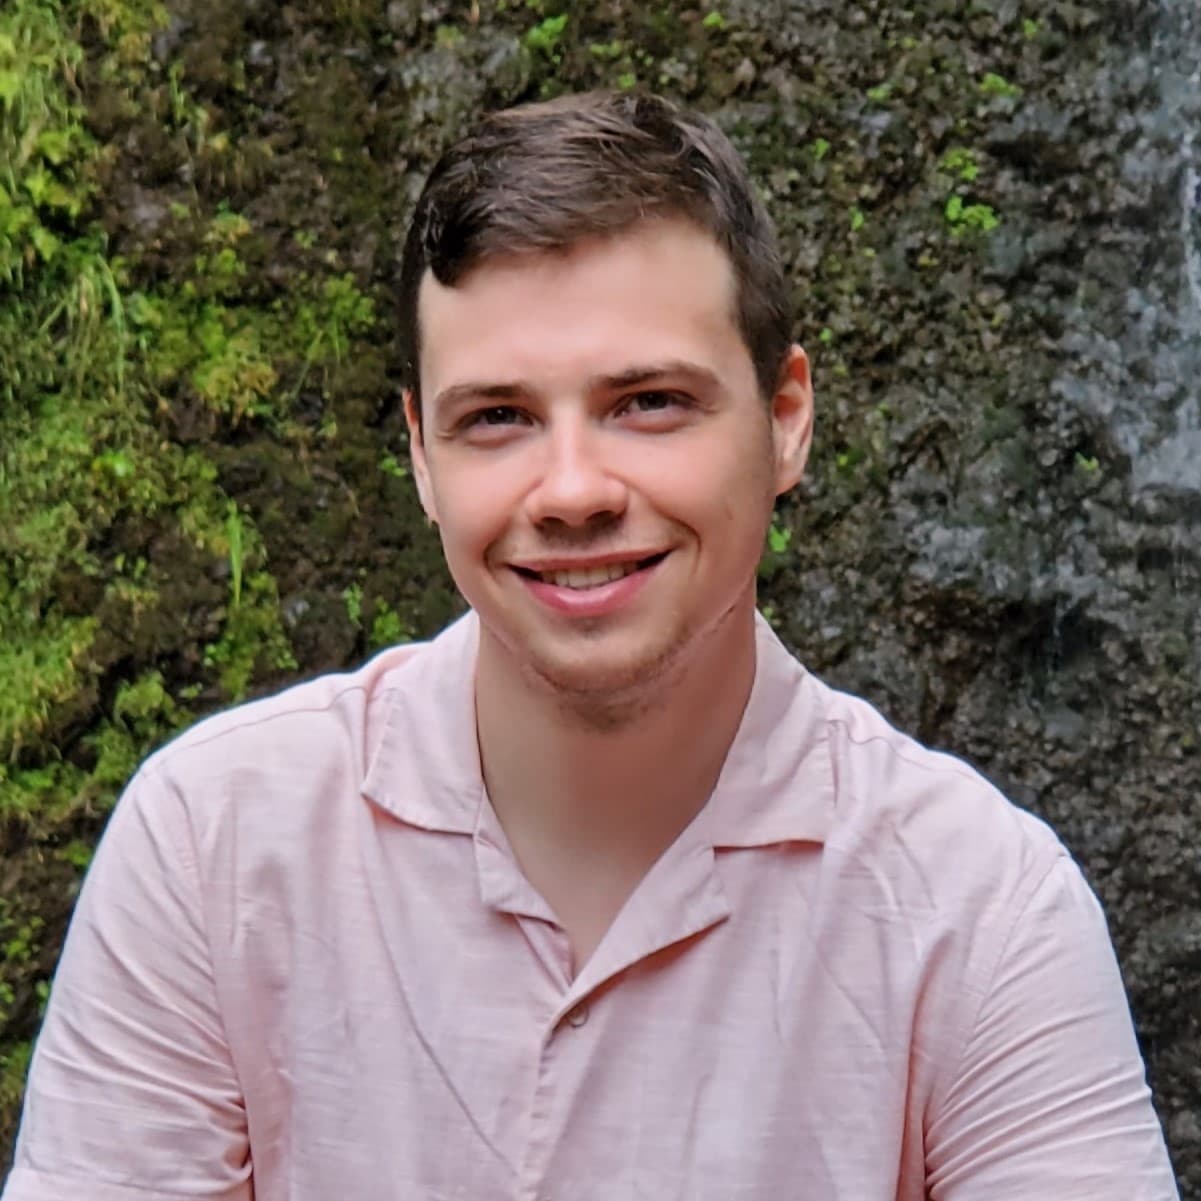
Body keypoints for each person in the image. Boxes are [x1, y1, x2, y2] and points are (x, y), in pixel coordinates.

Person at [2, 90, 1179, 1201]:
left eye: (649, 402)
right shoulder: (216, 845)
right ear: (419, 455)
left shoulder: (980, 907)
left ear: (785, 421)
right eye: (498, 418)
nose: (570, 490)